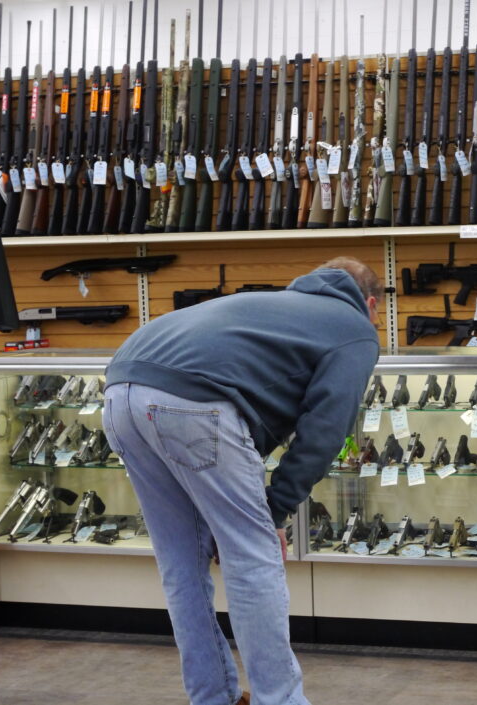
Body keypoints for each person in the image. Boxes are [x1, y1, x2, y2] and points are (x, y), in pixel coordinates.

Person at [103, 257, 382, 705]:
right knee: (253, 559)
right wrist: (273, 511)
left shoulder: (278, 304)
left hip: (120, 393)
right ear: (370, 303)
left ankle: (212, 697)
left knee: (181, 564)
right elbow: (325, 432)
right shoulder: (353, 327)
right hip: (192, 404)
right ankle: (280, 700)